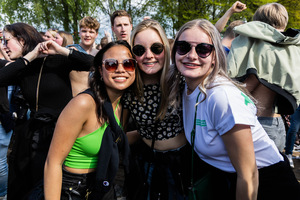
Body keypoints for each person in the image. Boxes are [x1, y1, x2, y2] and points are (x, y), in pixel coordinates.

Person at [170, 18, 300, 199]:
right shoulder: (186, 87)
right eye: (183, 47)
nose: (191, 55)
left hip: (269, 185)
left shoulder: (222, 97)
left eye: (203, 49)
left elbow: (249, 175)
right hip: (230, 179)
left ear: (215, 56)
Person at [0, 22, 94, 199]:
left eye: (6, 41)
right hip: (30, 137)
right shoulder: (21, 66)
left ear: (21, 40)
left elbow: (95, 63)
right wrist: (29, 57)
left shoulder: (57, 60)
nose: (3, 46)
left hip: (59, 134)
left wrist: (62, 51)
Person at [44, 40, 136, 199]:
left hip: (102, 184)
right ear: (100, 70)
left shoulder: (124, 105)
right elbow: (53, 164)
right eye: (111, 64)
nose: (121, 69)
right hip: (73, 188)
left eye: (128, 64)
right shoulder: (84, 104)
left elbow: (113, 139)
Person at [122, 19, 190, 200]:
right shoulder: (128, 87)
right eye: (139, 50)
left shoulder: (180, 79)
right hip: (148, 164)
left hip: (185, 163)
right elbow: (119, 133)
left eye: (156, 48)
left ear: (166, 49)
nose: (149, 55)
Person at [227, 3, 300, 152]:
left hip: (256, 123)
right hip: (278, 123)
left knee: (247, 174)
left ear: (258, 23)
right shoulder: (292, 50)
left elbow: (245, 89)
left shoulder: (257, 48)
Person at [67, 16, 100, 97]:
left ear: (96, 34)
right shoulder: (71, 50)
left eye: (91, 32)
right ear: (79, 33)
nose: (87, 35)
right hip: (75, 99)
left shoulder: (99, 54)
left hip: (95, 99)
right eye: (84, 31)